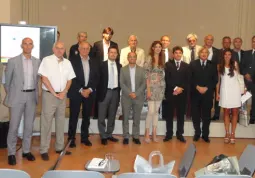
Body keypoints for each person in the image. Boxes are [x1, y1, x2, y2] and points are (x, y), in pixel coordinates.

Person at [4, 37, 41, 165]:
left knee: (29, 126)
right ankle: (11, 153)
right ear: (21, 45)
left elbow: (37, 80)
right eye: (25, 44)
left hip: (31, 96)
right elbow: (7, 82)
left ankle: (26, 151)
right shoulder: (13, 61)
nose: (27, 46)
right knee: (13, 126)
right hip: (17, 97)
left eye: (30, 44)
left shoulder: (37, 61)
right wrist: (13, 94)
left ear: (33, 46)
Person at [38, 41, 76, 161]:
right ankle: (44, 149)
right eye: (57, 48)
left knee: (60, 121)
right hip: (50, 95)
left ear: (64, 50)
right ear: (53, 49)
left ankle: (59, 147)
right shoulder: (46, 60)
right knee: (46, 123)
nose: (60, 50)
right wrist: (55, 93)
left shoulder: (68, 63)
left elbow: (70, 80)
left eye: (62, 49)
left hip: (62, 96)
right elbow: (44, 79)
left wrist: (64, 92)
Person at [67, 42, 99, 148]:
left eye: (87, 48)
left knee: (86, 116)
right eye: (83, 48)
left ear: (89, 50)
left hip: (89, 93)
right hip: (76, 92)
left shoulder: (94, 61)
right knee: (74, 116)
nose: (85, 50)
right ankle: (71, 139)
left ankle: (85, 138)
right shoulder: (72, 61)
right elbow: (71, 77)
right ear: (79, 49)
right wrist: (81, 90)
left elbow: (96, 77)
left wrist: (89, 89)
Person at [190, 47, 218, 143]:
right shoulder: (193, 64)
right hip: (195, 93)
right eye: (202, 52)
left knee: (206, 115)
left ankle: (205, 135)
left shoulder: (213, 65)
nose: (204, 54)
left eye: (206, 52)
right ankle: (197, 133)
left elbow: (215, 80)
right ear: (199, 53)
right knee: (195, 115)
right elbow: (190, 78)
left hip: (207, 93)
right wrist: (197, 87)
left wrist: (206, 88)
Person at [91, 27, 119, 120]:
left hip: (111, 72)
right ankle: (98, 117)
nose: (109, 35)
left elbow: (117, 59)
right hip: (101, 73)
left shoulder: (115, 44)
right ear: (103, 34)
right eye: (107, 33)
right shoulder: (97, 44)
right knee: (101, 97)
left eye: (110, 34)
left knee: (111, 103)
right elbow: (93, 60)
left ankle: (108, 119)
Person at [164, 46, 189, 143]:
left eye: (180, 53)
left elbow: (187, 80)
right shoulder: (167, 65)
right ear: (173, 54)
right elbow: (167, 79)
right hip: (171, 93)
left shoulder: (186, 66)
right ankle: (169, 133)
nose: (178, 54)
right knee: (169, 114)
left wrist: (180, 89)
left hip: (182, 94)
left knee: (180, 115)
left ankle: (180, 134)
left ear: (182, 54)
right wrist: (175, 88)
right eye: (176, 53)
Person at [97, 46, 121, 145]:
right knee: (101, 116)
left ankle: (109, 134)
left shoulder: (120, 66)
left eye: (115, 53)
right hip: (104, 92)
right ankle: (103, 136)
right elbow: (97, 80)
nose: (113, 54)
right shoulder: (101, 65)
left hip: (115, 92)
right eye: (111, 52)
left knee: (112, 115)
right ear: (108, 53)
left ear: (117, 54)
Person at [120, 52, 146, 145]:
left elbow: (144, 83)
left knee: (137, 118)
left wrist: (136, 93)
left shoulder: (142, 70)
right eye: (130, 57)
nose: (132, 58)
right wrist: (130, 93)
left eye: (134, 57)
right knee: (125, 117)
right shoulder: (123, 70)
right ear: (127, 58)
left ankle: (136, 136)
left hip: (138, 97)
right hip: (126, 97)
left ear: (136, 58)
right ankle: (126, 136)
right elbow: (121, 83)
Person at [216, 49, 241, 144]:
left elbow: (239, 77)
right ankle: (227, 133)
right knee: (226, 112)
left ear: (231, 55)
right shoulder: (219, 66)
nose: (227, 56)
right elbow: (218, 81)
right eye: (225, 54)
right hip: (224, 91)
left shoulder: (235, 64)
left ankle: (233, 133)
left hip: (235, 91)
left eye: (229, 54)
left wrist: (244, 89)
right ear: (223, 55)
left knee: (235, 112)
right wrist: (217, 93)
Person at [212, 36, 239, 120]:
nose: (226, 43)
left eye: (228, 42)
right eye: (225, 42)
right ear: (222, 43)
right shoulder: (217, 52)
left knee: (231, 98)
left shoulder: (234, 53)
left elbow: (237, 67)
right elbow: (213, 64)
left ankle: (231, 115)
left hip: (231, 79)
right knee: (218, 95)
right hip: (220, 77)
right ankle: (216, 114)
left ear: (230, 43)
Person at [144, 41, 165, 143]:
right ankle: (147, 134)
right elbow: (146, 74)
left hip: (160, 88)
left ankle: (154, 134)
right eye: (156, 47)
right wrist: (148, 90)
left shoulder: (162, 59)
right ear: (152, 48)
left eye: (159, 47)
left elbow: (162, 74)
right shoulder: (149, 58)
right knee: (151, 111)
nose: (158, 48)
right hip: (151, 88)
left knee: (156, 112)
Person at [242, 35, 255, 124]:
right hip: (245, 81)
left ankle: (253, 117)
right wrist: (245, 73)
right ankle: (242, 117)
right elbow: (241, 65)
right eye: (253, 41)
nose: (254, 43)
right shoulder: (246, 53)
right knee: (243, 100)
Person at [160, 35, 172, 120]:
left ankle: (165, 114)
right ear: (161, 41)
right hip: (158, 77)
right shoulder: (157, 51)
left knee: (167, 95)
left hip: (169, 77)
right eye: (163, 40)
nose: (165, 42)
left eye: (167, 40)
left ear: (169, 42)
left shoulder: (172, 52)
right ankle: (158, 113)